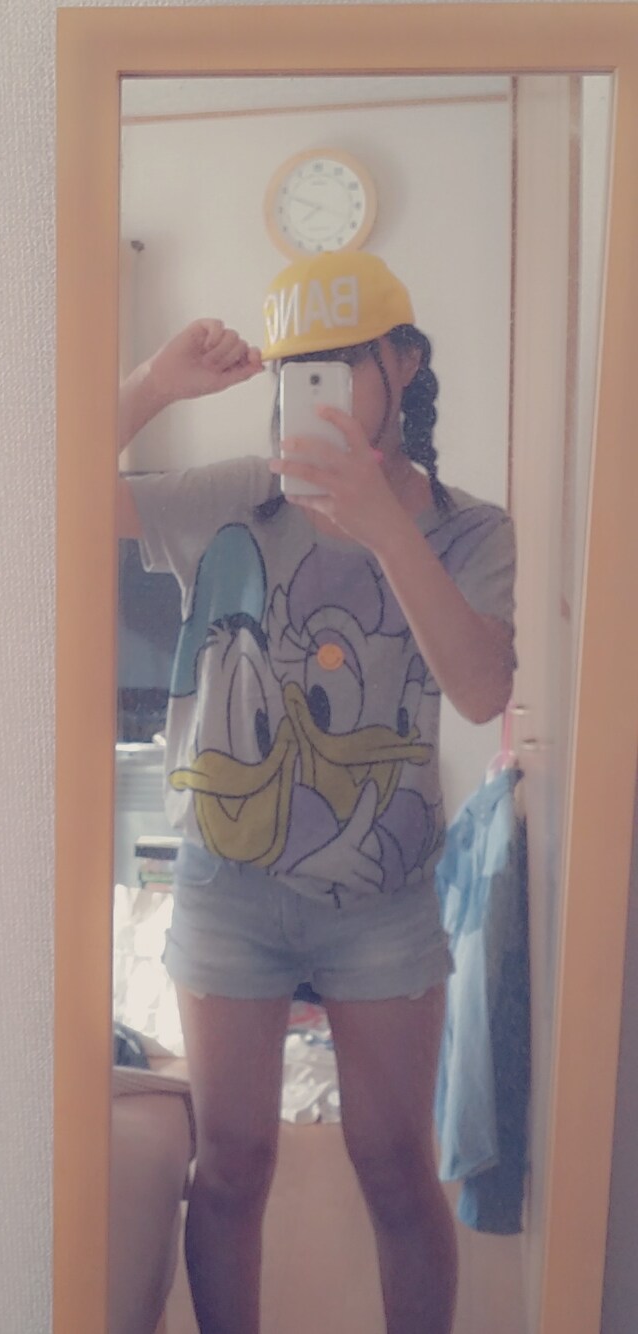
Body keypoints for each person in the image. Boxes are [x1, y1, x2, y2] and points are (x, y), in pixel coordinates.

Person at [116, 251, 516, 1334]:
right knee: (231, 1163)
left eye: (343, 360)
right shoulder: (233, 500)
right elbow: (52, 486)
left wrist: (383, 522)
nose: (318, 383)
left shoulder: (472, 530)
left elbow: (482, 690)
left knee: (394, 1166)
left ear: (404, 362)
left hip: (384, 893)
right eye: (299, 365)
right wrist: (152, 384)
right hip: (227, 884)